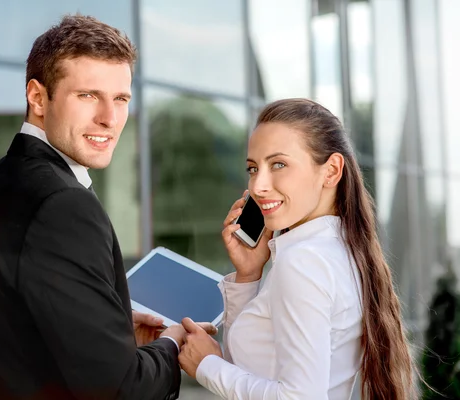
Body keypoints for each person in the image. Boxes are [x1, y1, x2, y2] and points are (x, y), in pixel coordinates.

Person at [0, 14, 214, 400]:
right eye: (88, 95)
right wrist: (172, 345)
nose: (109, 119)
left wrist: (111, 333)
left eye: (120, 98)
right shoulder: (65, 205)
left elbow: (16, 334)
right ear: (38, 97)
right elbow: (122, 390)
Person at [177, 98, 418, 399]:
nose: (258, 186)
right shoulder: (339, 250)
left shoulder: (303, 262)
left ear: (331, 171)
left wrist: (206, 365)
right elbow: (254, 368)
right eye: (253, 168)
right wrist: (249, 274)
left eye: (278, 164)